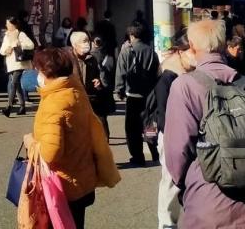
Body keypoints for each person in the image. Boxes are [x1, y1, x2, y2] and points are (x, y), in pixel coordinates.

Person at [164, 19, 245, 229]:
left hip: (209, 198)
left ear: (192, 46)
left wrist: (187, 185)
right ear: (223, 46)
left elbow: (177, 151)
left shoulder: (184, 86)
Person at [24, 48, 120, 228]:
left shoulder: (54, 103)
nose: (37, 74)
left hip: (61, 186)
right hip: (82, 179)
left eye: (38, 70)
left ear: (48, 72)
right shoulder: (75, 90)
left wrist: (30, 143)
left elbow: (50, 153)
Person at [147, 32, 195, 229]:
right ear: (180, 52)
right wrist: (172, 137)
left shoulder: (193, 71)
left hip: (190, 132)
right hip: (171, 134)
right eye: (191, 50)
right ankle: (167, 223)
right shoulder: (169, 74)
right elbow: (164, 111)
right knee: (171, 179)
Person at [114, 20, 159, 165]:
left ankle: (137, 156)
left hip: (132, 94)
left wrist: (119, 90)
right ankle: (155, 152)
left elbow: (120, 72)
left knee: (132, 128)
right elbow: (157, 72)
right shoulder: (151, 51)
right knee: (149, 123)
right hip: (149, 95)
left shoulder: (126, 50)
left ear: (131, 34)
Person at [0, 16, 35, 117]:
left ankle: (9, 107)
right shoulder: (6, 35)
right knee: (17, 86)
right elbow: (2, 50)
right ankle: (22, 107)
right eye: (6, 24)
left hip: (19, 63)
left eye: (9, 24)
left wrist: (20, 45)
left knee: (13, 83)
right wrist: (5, 51)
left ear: (14, 24)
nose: (7, 26)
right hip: (10, 63)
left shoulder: (21, 34)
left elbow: (31, 45)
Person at [85, 34, 116, 137]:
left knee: (94, 114)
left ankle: (97, 136)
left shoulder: (90, 56)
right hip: (107, 87)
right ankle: (105, 135)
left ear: (93, 43)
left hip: (95, 87)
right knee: (102, 114)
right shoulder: (108, 55)